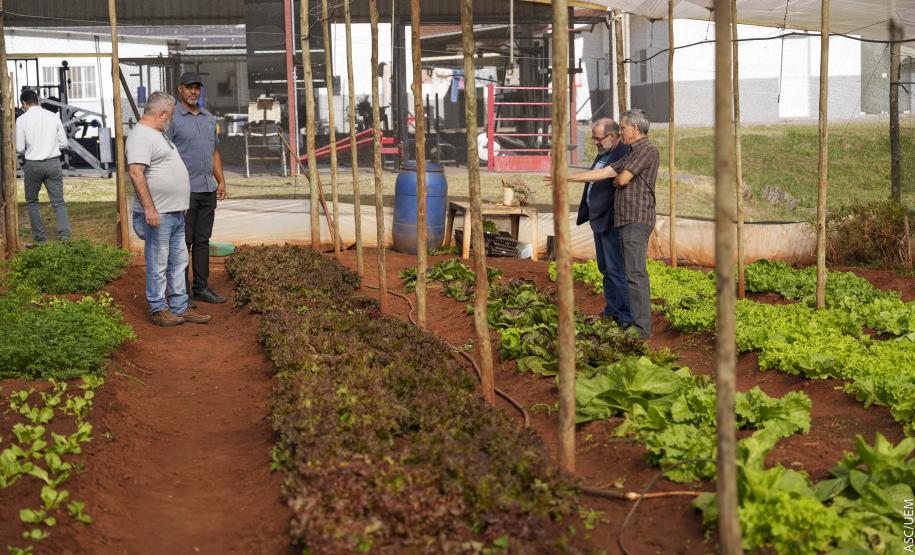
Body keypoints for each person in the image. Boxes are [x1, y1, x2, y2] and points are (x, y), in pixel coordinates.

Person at [126, 91, 211, 327]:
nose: (171, 119)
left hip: (173, 212)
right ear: (161, 113)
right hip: (158, 214)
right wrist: (150, 209)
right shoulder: (141, 136)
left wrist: (179, 203)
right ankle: (158, 309)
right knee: (158, 262)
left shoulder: (157, 134)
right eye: (171, 115)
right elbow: (136, 173)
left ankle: (180, 306)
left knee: (178, 261)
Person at [558, 118, 633, 326]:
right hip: (599, 219)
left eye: (599, 139)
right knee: (605, 269)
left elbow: (607, 177)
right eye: (594, 138)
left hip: (611, 219)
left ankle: (626, 317)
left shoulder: (623, 154)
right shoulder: (604, 153)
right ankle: (612, 310)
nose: (596, 143)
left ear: (613, 136)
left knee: (616, 269)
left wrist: (566, 177)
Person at [169, 71, 228, 305]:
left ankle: (201, 287)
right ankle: (182, 292)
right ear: (180, 89)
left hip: (207, 189)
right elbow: (165, 154)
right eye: (189, 87)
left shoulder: (209, 118)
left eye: (197, 87)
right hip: (184, 192)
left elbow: (214, 152)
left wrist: (220, 180)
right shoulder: (172, 119)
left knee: (203, 241)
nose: (193, 91)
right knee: (183, 242)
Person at [15, 89, 72, 245]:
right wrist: (50, 147)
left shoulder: (22, 119)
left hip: (33, 164)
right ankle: (65, 237)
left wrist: (31, 150)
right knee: (58, 201)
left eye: (22, 105)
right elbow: (64, 143)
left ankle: (40, 239)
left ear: (24, 103)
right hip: (53, 163)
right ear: (37, 100)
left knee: (32, 201)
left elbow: (19, 148)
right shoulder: (53, 116)